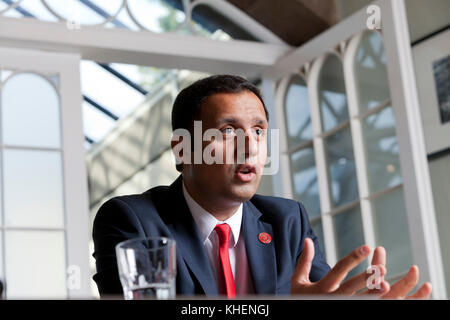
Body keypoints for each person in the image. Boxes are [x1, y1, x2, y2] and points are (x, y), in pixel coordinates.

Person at [92, 75, 432, 299]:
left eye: (258, 131)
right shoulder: (132, 220)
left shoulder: (287, 220)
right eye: (227, 131)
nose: (250, 146)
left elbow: (324, 294)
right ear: (183, 150)